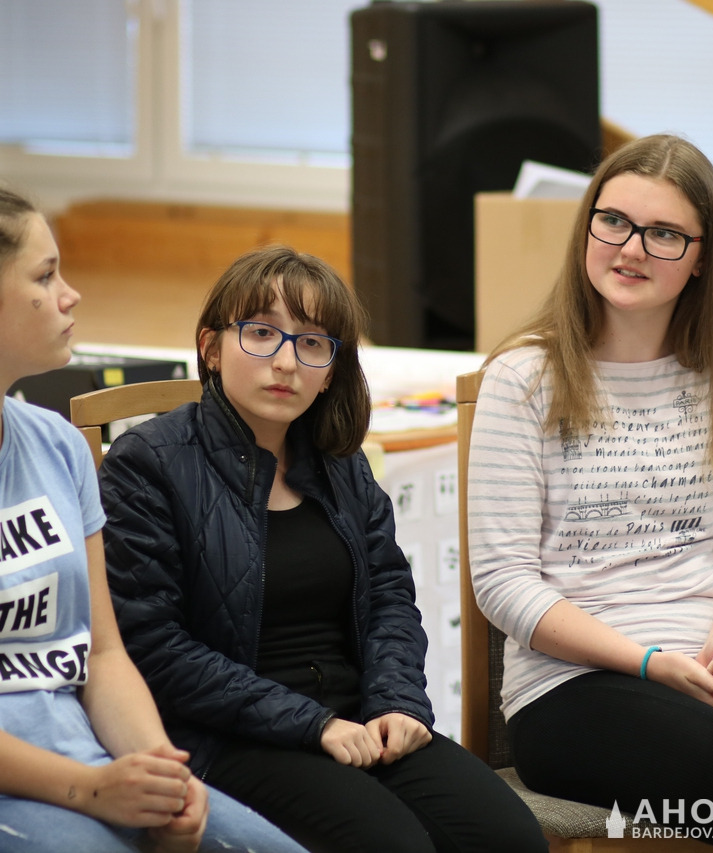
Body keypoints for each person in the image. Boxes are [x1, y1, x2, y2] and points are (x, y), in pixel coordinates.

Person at [468, 134, 713, 852]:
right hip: (571, 690)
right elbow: (503, 581)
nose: (631, 249)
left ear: (703, 257)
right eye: (613, 221)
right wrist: (649, 663)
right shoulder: (522, 379)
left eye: (665, 233)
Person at [97, 245, 547, 853]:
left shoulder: (339, 461)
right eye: (262, 333)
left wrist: (397, 704)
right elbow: (153, 646)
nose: (286, 362)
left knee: (509, 837)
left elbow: (389, 597)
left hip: (354, 718)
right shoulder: (147, 463)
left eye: (312, 343)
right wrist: (314, 725)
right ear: (211, 348)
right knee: (393, 845)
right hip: (224, 734)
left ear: (331, 370)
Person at [0, 188, 306, 853]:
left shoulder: (58, 446)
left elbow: (103, 654)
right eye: (45, 276)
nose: (70, 294)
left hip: (87, 758)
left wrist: (162, 772)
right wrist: (89, 790)